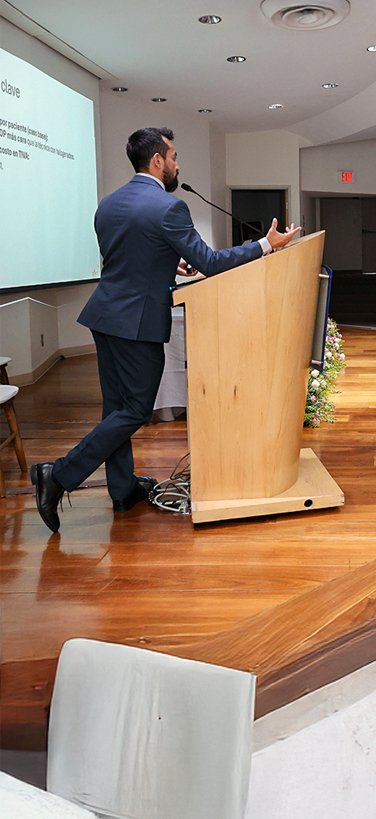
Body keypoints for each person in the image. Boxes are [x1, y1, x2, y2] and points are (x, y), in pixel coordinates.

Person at [30, 128, 300, 533]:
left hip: (104, 317)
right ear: (157, 160)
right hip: (137, 324)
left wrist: (166, 262)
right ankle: (58, 475)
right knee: (135, 411)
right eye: (173, 157)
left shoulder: (107, 204)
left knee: (116, 409)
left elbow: (125, 258)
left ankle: (122, 490)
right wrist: (266, 245)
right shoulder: (170, 207)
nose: (176, 165)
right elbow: (210, 263)